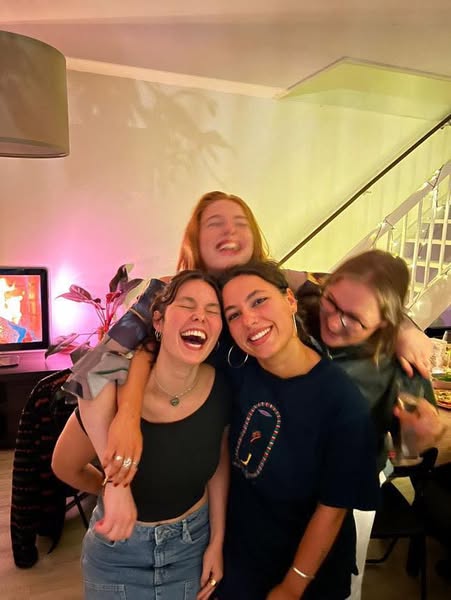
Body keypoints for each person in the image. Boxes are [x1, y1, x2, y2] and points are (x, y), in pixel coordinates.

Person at [61, 191, 432, 490]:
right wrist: (122, 442)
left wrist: (403, 326)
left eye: (241, 223)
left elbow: (357, 291)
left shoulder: (281, 281)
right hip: (214, 454)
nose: (230, 231)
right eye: (215, 223)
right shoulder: (166, 294)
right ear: (196, 239)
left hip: (289, 459)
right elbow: (97, 367)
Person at [52, 271, 231, 599]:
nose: (199, 316)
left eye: (212, 310)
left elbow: (218, 466)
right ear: (158, 320)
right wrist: (113, 486)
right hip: (117, 555)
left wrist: (217, 542)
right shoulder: (111, 388)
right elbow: (65, 464)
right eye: (187, 305)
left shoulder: (222, 387)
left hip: (191, 549)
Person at [215, 260, 379, 599]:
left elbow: (333, 508)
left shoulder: (341, 401)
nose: (249, 320)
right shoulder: (238, 367)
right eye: (233, 314)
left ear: (290, 300)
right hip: (242, 562)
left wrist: (293, 586)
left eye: (259, 301)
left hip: (305, 573)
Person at [296, 249, 445, 599]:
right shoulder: (304, 315)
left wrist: (420, 436)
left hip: (347, 492)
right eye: (332, 303)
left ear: (384, 324)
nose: (334, 322)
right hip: (285, 479)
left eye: (354, 319)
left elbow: (407, 449)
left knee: (338, 581)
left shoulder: (401, 367)